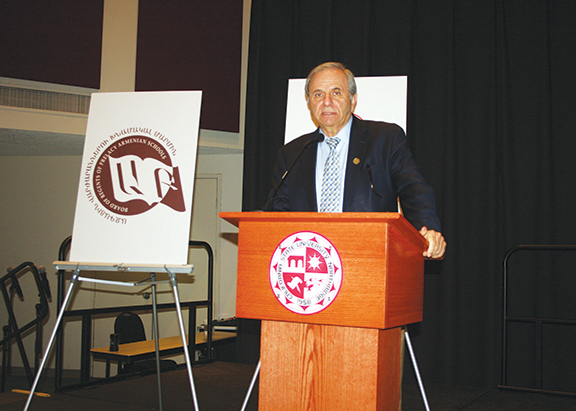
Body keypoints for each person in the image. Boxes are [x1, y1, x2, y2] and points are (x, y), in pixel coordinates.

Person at [268, 62, 446, 258]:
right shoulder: (293, 153)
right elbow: (277, 213)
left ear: (353, 100)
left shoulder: (384, 139)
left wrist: (427, 229)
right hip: (311, 267)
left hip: (371, 258)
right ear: (309, 102)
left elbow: (413, 189)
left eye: (336, 93)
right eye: (318, 94)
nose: (327, 101)